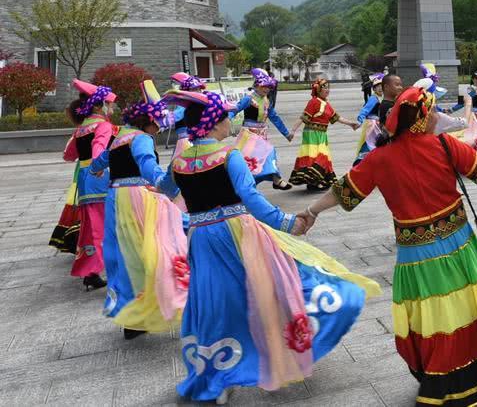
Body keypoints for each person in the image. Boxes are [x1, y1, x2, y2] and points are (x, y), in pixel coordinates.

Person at [300, 83, 477, 407]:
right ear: (421, 119)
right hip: (460, 247)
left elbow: (343, 191)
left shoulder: (379, 158)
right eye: (432, 110)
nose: (437, 115)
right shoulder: (444, 145)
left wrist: (311, 212)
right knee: (475, 305)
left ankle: (444, 374)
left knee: (435, 317)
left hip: (416, 256)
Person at [164, 90, 378, 404]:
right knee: (280, 286)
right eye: (225, 117)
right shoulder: (228, 155)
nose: (230, 122)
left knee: (213, 303)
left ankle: (215, 376)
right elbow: (251, 199)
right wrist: (290, 223)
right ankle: (286, 341)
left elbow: (163, 188)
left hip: (201, 237)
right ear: (214, 122)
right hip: (237, 234)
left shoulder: (180, 160)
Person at [88, 80, 187, 339]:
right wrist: (165, 184)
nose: (158, 129)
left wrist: (95, 170)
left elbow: (98, 162)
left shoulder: (119, 138)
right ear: (148, 122)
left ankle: (133, 314)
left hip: (115, 197)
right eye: (157, 124)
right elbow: (146, 164)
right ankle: (165, 301)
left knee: (123, 252)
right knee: (156, 246)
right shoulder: (142, 139)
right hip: (137, 197)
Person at [60, 79, 117, 291]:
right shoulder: (103, 126)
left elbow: (68, 155)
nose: (111, 108)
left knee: (90, 225)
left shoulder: (81, 128)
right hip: (99, 176)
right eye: (108, 104)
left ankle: (91, 270)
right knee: (105, 223)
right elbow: (99, 149)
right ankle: (110, 268)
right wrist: (99, 164)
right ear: (97, 105)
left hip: (84, 179)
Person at [287, 78, 359, 192]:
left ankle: (317, 181)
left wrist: (351, 124)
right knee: (315, 157)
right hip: (311, 134)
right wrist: (292, 131)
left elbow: (337, 118)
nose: (327, 90)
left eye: (328, 87)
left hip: (321, 135)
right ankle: (313, 181)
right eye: (324, 88)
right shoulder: (314, 102)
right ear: (318, 90)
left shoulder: (326, 104)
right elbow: (303, 117)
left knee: (322, 157)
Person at [229, 69, 293, 190]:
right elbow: (235, 110)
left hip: (261, 135)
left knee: (266, 155)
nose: (267, 89)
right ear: (257, 85)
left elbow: (274, 118)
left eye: (269, 87)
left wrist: (286, 133)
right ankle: (245, 187)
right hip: (248, 135)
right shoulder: (248, 99)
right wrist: (227, 121)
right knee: (250, 162)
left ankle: (275, 179)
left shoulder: (266, 101)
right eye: (264, 86)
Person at [353, 72, 385, 165]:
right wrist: (360, 120)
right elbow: (364, 111)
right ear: (374, 89)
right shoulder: (373, 98)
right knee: (369, 144)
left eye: (381, 86)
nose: (379, 88)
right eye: (377, 86)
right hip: (372, 125)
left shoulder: (381, 98)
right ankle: (362, 163)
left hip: (378, 125)